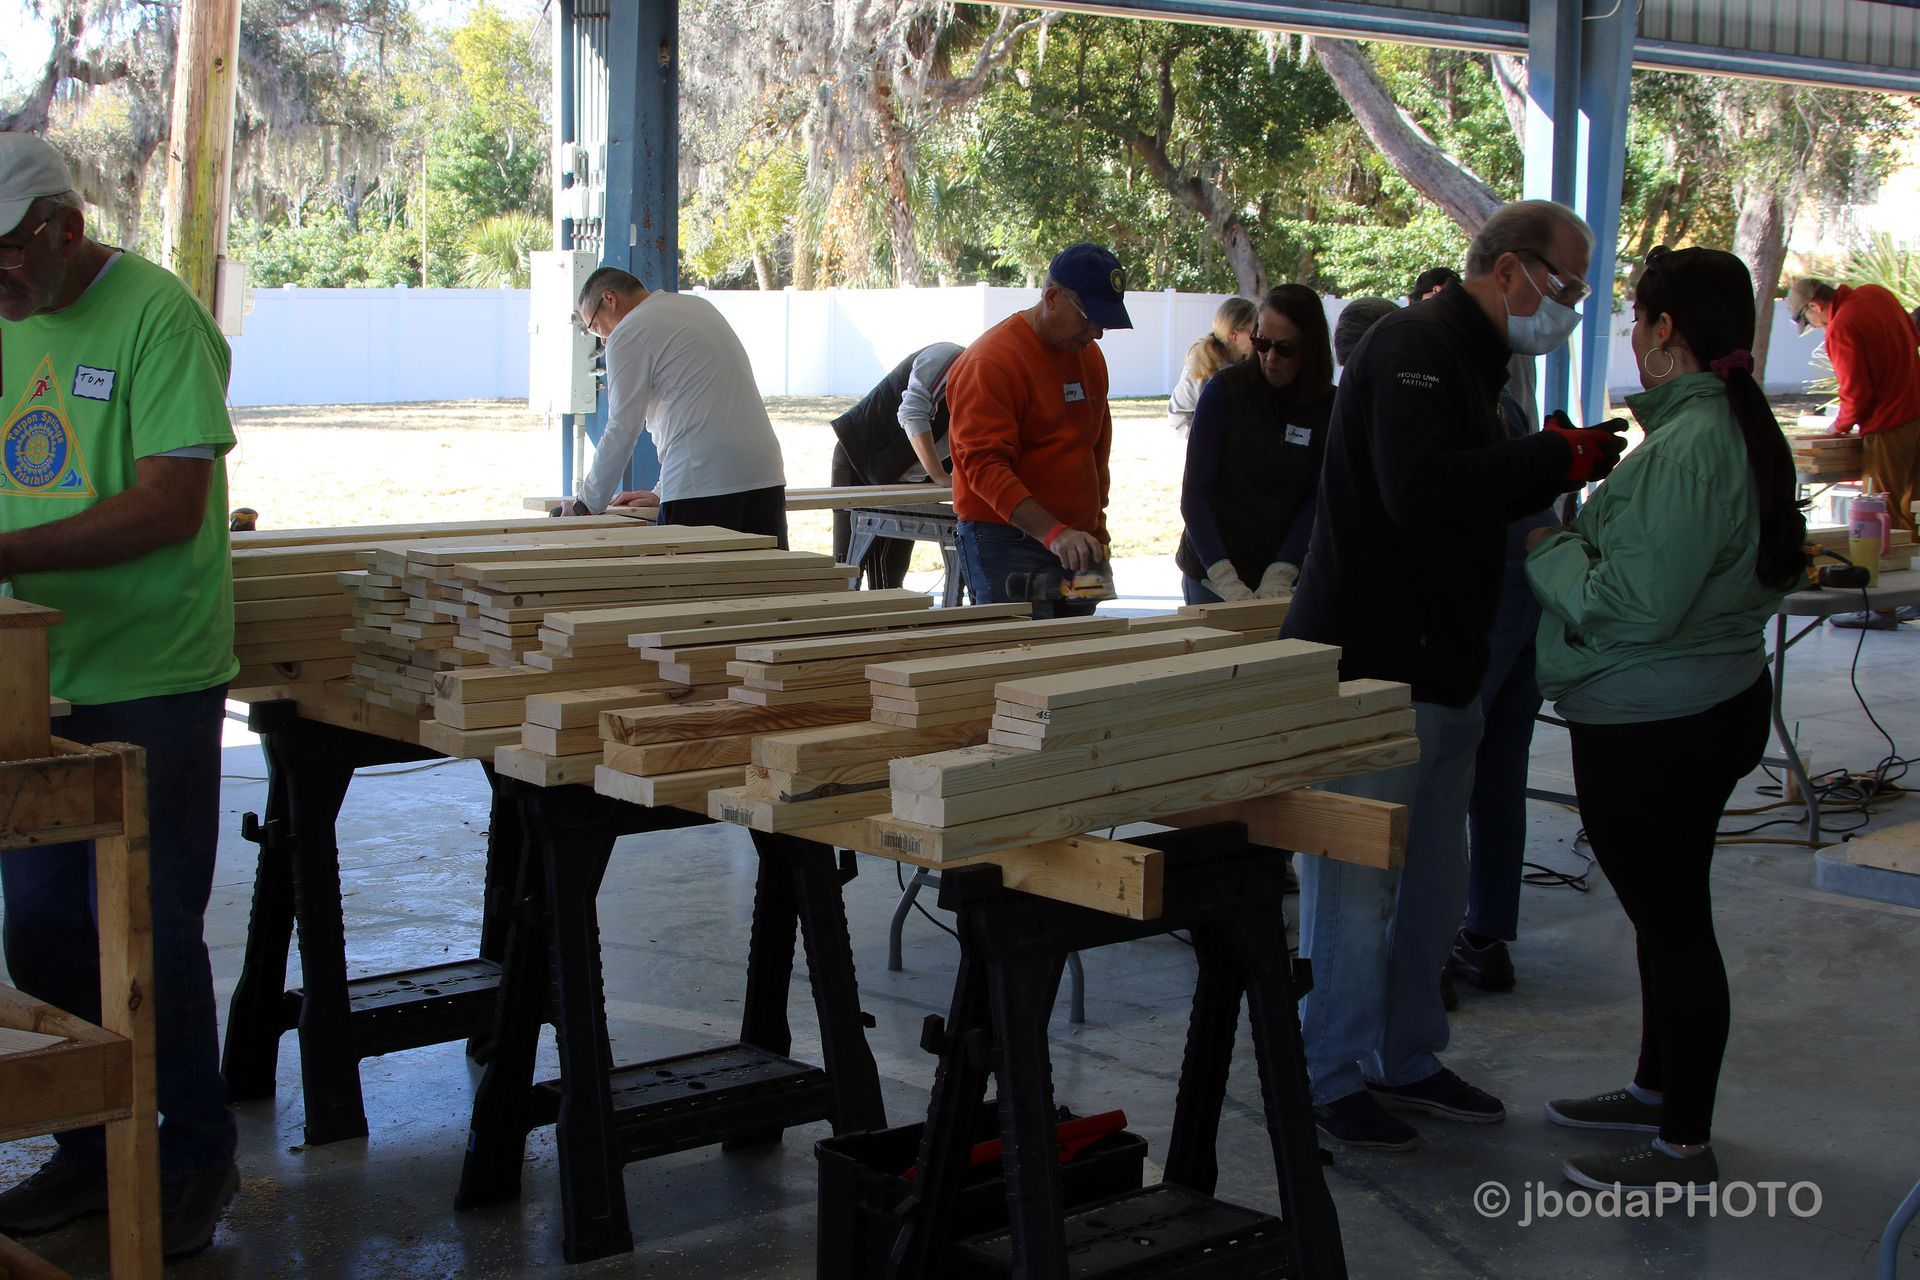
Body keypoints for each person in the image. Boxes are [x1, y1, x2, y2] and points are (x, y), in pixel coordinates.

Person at [1281, 199, 1627, 1152]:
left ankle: (1404, 1054)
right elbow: (1418, 489)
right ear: (1509, 270)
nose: (1570, 307)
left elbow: (1467, 492)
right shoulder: (1414, 346)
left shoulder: (1476, 362)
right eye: (1564, 286)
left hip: (1442, 664)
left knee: (1434, 879)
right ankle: (1331, 1071)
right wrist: (1545, 457)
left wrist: (1548, 466)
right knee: (1356, 882)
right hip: (1371, 668)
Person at [0, 132, 240, 1256]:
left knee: (148, 932)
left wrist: (6, 554)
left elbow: (168, 505)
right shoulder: (6, 317)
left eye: (8, 257)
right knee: (43, 931)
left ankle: (191, 1155)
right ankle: (93, 1151)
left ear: (66, 229)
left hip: (150, 676)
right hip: (34, 678)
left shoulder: (157, 317)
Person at [1529, 246, 1805, 1191]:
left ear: (1666, 332)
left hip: (1655, 720)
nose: (1633, 338)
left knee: (1675, 923)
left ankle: (1684, 1143)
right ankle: (1658, 1088)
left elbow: (1634, 604)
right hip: (1704, 699)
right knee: (1667, 915)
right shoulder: (1729, 426)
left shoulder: (1691, 447)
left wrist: (1550, 546)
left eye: (1638, 320)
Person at [947, 242, 1130, 618]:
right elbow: (984, 467)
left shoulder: (1089, 356)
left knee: (1079, 649)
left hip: (1077, 540)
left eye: (1104, 322)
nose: (1096, 333)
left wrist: (1096, 529)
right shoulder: (991, 362)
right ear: (1051, 297)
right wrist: (1053, 533)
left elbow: (1095, 448)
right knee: (1017, 649)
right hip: (1004, 540)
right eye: (1089, 318)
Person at [569, 267, 788, 544]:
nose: (603, 340)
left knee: (693, 574)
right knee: (765, 572)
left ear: (609, 299)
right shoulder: (698, 307)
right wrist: (663, 491)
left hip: (703, 487)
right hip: (764, 476)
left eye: (595, 327)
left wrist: (585, 504)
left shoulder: (628, 331)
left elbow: (622, 427)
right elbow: (701, 406)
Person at [1177, 284, 1333, 605]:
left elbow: (1319, 498)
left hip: (1287, 573)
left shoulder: (1328, 406)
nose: (1270, 358)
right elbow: (1195, 496)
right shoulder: (1224, 392)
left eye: (1285, 349)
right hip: (1212, 570)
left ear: (1310, 348)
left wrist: (1285, 567)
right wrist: (1222, 572)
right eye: (1261, 343)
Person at [1785, 275, 1920, 627]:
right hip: (1917, 414)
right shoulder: (1877, 294)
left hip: (1889, 427)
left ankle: (1883, 608)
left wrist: (1838, 427)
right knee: (1914, 511)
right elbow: (1914, 335)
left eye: (1809, 320)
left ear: (1815, 306)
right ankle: (1914, 597)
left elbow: (1855, 394)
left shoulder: (1841, 327)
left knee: (1882, 518)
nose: (1815, 327)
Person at [829, 341, 962, 588]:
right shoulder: (947, 357)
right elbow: (911, 411)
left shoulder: (989, 390)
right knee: (846, 574)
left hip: (907, 480)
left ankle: (883, 613)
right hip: (859, 461)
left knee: (890, 578)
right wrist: (939, 475)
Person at [1167, 297, 1256, 436]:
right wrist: (1205, 442)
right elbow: (1178, 416)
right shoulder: (1201, 369)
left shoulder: (1252, 364)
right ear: (1234, 335)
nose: (1259, 336)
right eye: (1254, 331)